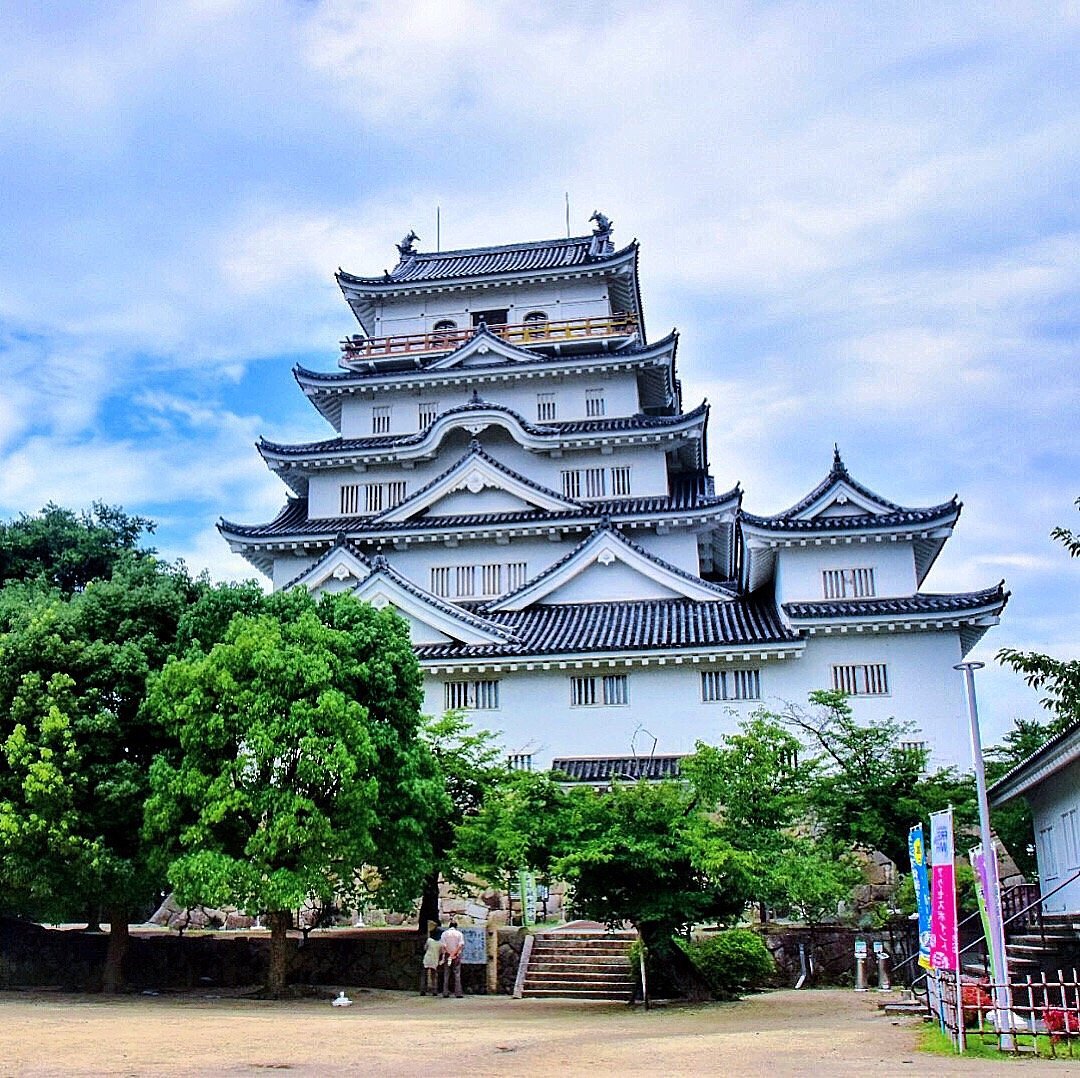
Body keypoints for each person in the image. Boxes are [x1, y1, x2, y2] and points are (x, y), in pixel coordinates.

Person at [440, 920, 465, 998]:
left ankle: (445, 992)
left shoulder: (444, 934)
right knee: (457, 973)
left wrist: (450, 954)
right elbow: (460, 945)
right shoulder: (459, 934)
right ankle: (458, 993)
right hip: (456, 955)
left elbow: (444, 946)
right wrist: (454, 953)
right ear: (456, 926)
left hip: (448, 955)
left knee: (446, 973)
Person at [420, 925, 443, 995]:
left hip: (427, 958)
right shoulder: (440, 943)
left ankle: (422, 990)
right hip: (435, 959)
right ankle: (434, 990)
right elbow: (441, 952)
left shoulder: (429, 940)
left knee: (424, 975)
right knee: (434, 975)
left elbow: (425, 948)